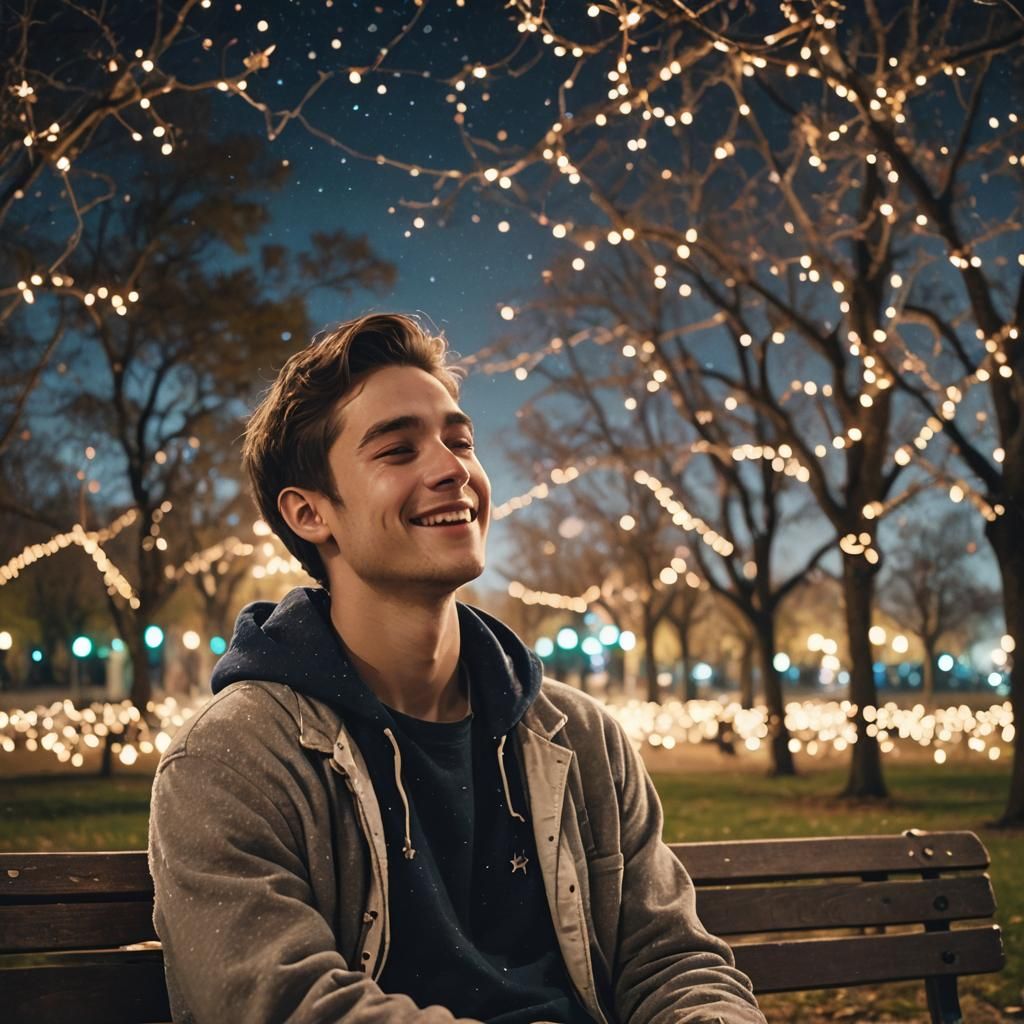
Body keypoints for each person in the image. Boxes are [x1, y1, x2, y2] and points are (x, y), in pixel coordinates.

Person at [148, 313, 766, 1024]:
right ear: (311, 513)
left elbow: (673, 961)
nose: (453, 469)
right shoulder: (233, 760)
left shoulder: (581, 738)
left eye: (460, 441)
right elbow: (281, 1004)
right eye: (397, 450)